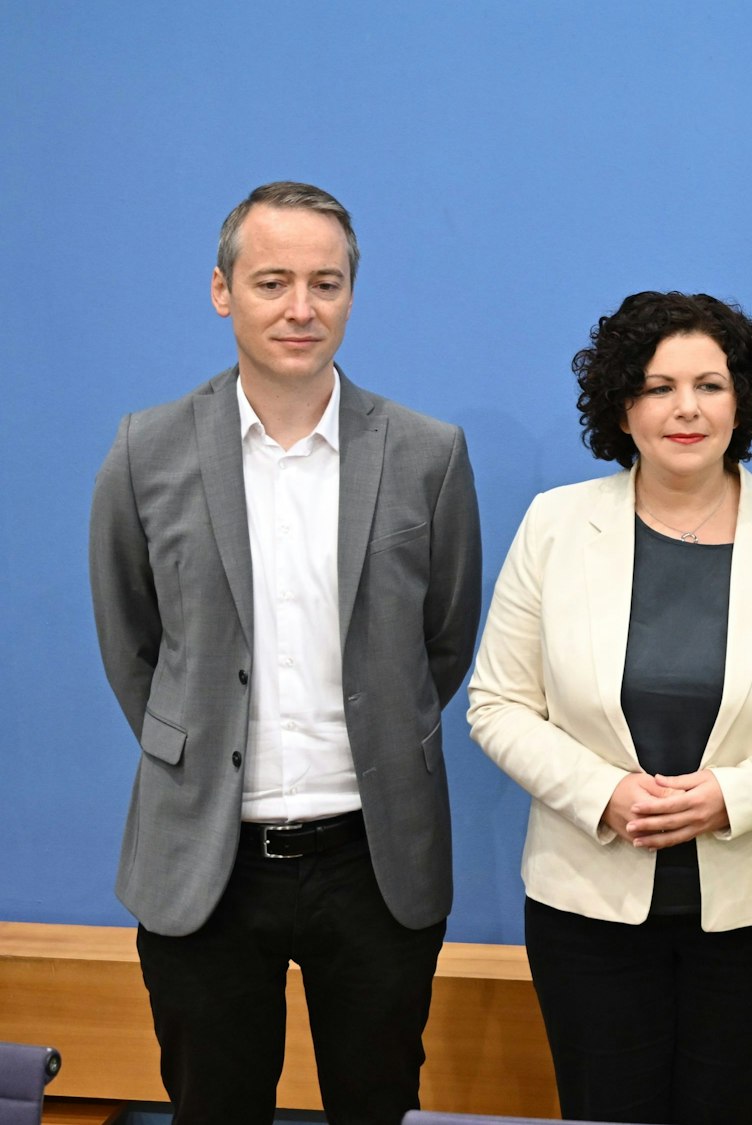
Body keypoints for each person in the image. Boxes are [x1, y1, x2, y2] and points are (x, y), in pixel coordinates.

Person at [87, 181, 483, 1123]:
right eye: (272, 282)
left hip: (374, 858)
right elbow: (130, 639)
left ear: (352, 292)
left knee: (379, 1105)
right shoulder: (146, 450)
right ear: (222, 291)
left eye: (325, 282)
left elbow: (445, 638)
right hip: (205, 863)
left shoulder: (428, 453)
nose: (301, 309)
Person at [467, 291, 752, 1124]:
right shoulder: (557, 525)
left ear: (742, 401)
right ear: (621, 404)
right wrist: (603, 793)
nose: (686, 409)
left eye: (709, 385)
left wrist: (733, 795)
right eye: (658, 386)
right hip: (587, 914)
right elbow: (497, 702)